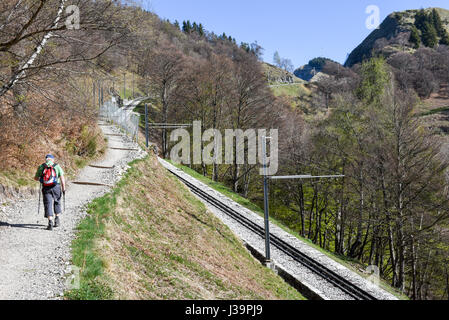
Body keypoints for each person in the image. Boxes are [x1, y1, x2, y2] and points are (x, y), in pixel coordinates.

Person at [34, 154, 66, 231]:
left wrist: (41, 180)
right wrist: (64, 189)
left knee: (48, 204)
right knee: (57, 202)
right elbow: (62, 178)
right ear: (52, 159)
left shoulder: (42, 166)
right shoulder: (57, 166)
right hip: (56, 187)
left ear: (46, 159)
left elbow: (35, 178)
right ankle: (57, 219)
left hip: (46, 188)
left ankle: (50, 223)